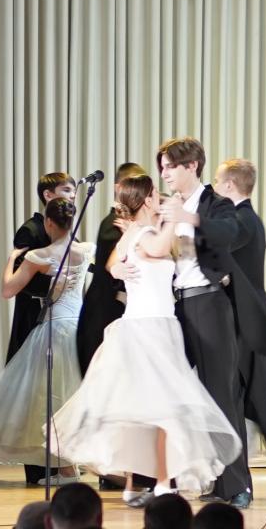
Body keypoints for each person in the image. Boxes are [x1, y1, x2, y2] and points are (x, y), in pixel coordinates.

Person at [51, 175, 242, 509]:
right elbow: (155, 249)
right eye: (154, 194)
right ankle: (162, 483)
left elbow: (113, 263)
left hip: (154, 326)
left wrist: (119, 267)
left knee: (144, 412)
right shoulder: (145, 234)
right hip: (148, 329)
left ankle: (134, 484)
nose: (160, 197)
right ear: (145, 200)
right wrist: (175, 213)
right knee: (163, 410)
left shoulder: (134, 233)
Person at [156, 137, 266, 508]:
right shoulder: (169, 205)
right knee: (168, 394)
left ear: (192, 165)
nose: (164, 174)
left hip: (209, 304)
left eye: (170, 166)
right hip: (176, 306)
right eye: (162, 167)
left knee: (221, 396)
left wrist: (189, 218)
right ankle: (180, 478)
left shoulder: (215, 203)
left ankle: (237, 485)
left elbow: (228, 233)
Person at [0, 196, 93, 476]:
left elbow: (8, 290)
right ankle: (70, 464)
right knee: (72, 396)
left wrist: (12, 259)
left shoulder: (40, 256)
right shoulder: (86, 250)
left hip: (54, 330)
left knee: (47, 400)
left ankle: (65, 467)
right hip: (79, 329)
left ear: (49, 222)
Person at [215, 157, 266, 496]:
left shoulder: (241, 221)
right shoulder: (246, 219)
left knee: (256, 401)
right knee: (237, 401)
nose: (215, 187)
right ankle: (235, 482)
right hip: (245, 319)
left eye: (218, 181)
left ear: (229, 185)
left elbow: (216, 252)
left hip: (247, 323)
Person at [81, 163, 149, 491]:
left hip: (124, 316)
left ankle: (120, 469)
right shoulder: (116, 226)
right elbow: (112, 269)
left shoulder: (135, 227)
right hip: (106, 317)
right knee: (115, 394)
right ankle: (113, 467)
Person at [13, 171, 79, 486]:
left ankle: (63, 462)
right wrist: (52, 289)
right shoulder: (30, 230)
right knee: (38, 394)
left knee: (60, 391)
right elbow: (20, 278)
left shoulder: (70, 235)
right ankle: (41, 469)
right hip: (36, 319)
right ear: (48, 195)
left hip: (64, 319)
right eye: (66, 190)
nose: (73, 195)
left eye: (74, 191)